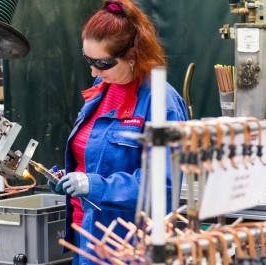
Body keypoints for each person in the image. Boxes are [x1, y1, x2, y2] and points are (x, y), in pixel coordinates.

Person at [49, 0, 188, 263]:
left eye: (102, 64)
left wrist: (94, 185)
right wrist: (70, 178)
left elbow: (164, 186)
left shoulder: (160, 103)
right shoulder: (102, 89)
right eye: (88, 60)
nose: (93, 71)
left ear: (133, 55)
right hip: (85, 235)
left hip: (128, 246)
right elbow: (95, 157)